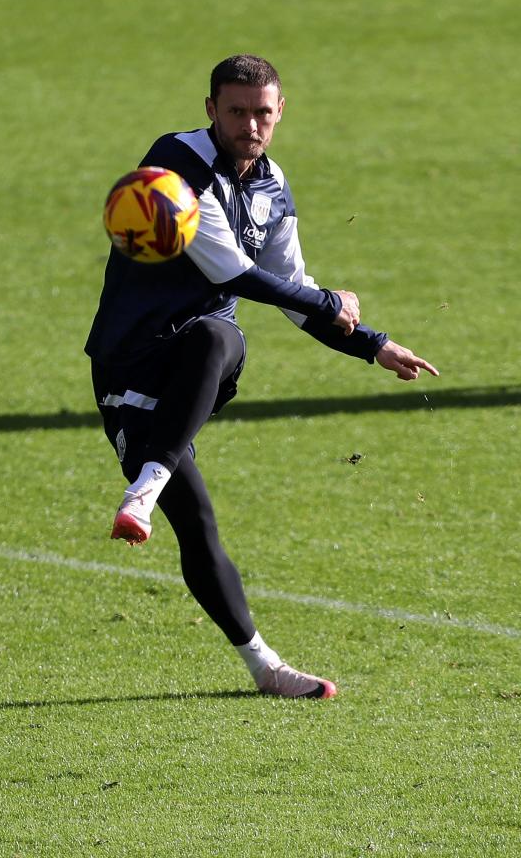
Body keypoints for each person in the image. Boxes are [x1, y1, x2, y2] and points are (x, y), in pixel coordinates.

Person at [84, 54, 438, 699]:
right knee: (197, 524)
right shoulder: (174, 165)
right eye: (237, 111)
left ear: (280, 114)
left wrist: (372, 344)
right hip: (128, 366)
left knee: (221, 334)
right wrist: (330, 301)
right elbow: (234, 273)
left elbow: (289, 291)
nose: (251, 125)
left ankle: (146, 485)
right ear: (211, 109)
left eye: (263, 113)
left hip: (200, 365)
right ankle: (265, 667)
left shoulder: (273, 186)